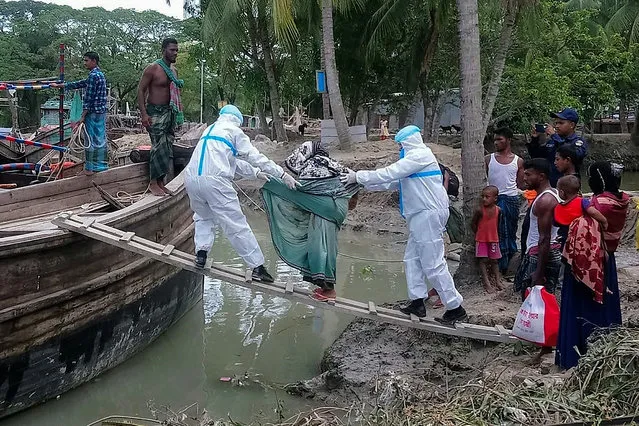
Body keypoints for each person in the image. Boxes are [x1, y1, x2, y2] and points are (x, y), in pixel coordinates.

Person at [340, 125, 466, 324]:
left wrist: (359, 175)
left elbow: (390, 173)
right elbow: (391, 182)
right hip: (421, 215)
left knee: (433, 264)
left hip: (427, 214)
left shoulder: (419, 156)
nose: (399, 148)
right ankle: (417, 301)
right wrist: (360, 181)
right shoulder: (415, 161)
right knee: (412, 259)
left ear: (407, 143)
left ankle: (454, 306)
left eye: (400, 144)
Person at [184, 104, 299, 282]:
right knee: (236, 224)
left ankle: (201, 254)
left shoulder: (210, 130)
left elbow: (231, 162)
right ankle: (257, 267)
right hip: (216, 182)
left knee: (203, 217)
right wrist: (282, 174)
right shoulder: (234, 131)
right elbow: (255, 156)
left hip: (191, 180)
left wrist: (255, 173)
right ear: (237, 121)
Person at [261, 141, 359, 302]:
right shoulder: (333, 164)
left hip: (327, 207)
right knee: (324, 243)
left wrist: (273, 184)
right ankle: (324, 287)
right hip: (337, 208)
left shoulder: (312, 164)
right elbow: (356, 183)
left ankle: (329, 290)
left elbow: (302, 189)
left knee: (319, 246)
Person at [556, 162, 630, 369]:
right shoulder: (621, 200)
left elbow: (578, 229)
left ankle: (577, 355)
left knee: (583, 307)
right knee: (606, 305)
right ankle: (608, 351)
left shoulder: (595, 204)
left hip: (587, 262)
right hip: (609, 258)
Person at [137, 38, 185, 196]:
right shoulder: (153, 68)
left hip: (169, 113)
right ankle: (152, 183)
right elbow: (141, 90)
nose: (175, 52)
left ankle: (161, 181)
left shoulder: (174, 71)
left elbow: (175, 93)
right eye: (172, 50)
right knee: (158, 147)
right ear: (164, 50)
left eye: (177, 50)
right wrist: (144, 114)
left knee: (167, 148)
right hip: (154, 113)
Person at [51, 52, 108, 175]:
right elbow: (82, 83)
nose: (85, 63)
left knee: (90, 140)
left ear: (94, 61)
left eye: (86, 61)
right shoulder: (100, 75)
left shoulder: (93, 76)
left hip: (92, 113)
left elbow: (89, 98)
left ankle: (89, 168)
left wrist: (82, 116)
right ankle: (101, 166)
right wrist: (63, 85)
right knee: (100, 139)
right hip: (101, 112)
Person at [514, 158, 562, 298]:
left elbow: (545, 238)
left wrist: (539, 273)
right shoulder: (552, 194)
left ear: (541, 176)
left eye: (528, 175)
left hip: (539, 255)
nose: (524, 178)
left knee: (534, 299)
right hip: (540, 252)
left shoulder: (545, 201)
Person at [485, 127, 524, 274]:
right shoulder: (488, 159)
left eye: (499, 139)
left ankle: (510, 265)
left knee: (511, 232)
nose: (496, 142)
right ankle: (498, 265)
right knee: (496, 233)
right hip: (494, 200)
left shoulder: (518, 161)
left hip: (511, 200)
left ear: (508, 140)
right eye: (495, 139)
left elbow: (520, 184)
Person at [528, 108, 587, 187]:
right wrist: (534, 139)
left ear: (572, 125)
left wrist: (554, 136)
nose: (557, 126)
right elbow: (536, 157)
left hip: (569, 186)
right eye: (556, 123)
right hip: (550, 186)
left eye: (561, 123)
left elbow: (575, 154)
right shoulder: (552, 141)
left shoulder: (578, 142)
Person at [554, 174, 608, 250]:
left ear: (562, 192)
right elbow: (593, 212)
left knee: (565, 256)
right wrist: (604, 221)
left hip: (565, 238)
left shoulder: (558, 207)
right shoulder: (582, 201)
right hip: (582, 238)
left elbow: (555, 223)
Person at [471, 186, 505, 293]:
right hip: (481, 239)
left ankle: (498, 281)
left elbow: (499, 225)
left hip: (494, 239)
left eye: (487, 197)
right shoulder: (479, 211)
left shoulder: (498, 210)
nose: (484, 199)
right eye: (483, 197)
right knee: (482, 260)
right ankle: (487, 283)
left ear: (495, 198)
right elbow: (473, 224)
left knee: (494, 261)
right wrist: (479, 233)